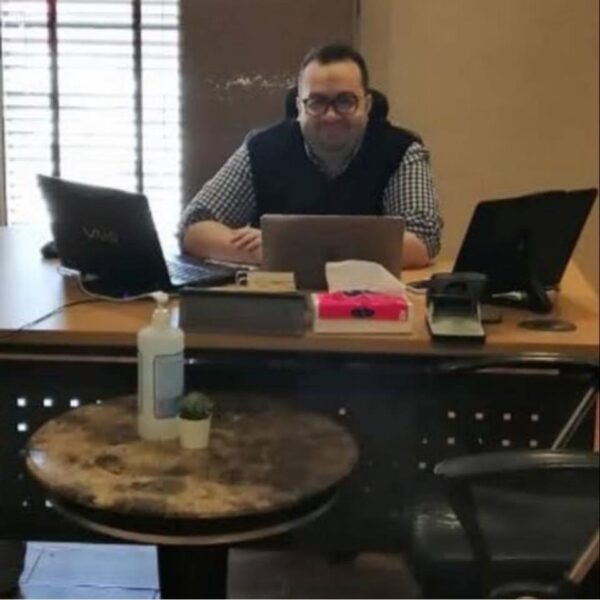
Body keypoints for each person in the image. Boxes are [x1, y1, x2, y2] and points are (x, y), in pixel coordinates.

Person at [180, 43, 442, 269]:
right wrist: (261, 252)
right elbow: (194, 225)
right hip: (280, 301)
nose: (330, 116)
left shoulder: (401, 151)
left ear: (368, 105)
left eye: (345, 101)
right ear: (299, 107)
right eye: (317, 102)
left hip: (368, 302)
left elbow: (423, 241)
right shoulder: (261, 149)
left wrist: (287, 249)